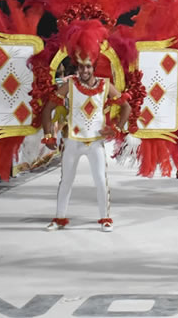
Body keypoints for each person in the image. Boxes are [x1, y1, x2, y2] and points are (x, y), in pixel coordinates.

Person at [41, 22, 132, 232]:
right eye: (81, 66)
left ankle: (105, 218)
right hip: (72, 141)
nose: (85, 70)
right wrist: (48, 135)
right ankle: (59, 218)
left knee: (100, 180)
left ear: (94, 66)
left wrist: (117, 128)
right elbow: (47, 110)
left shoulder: (105, 85)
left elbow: (126, 107)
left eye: (88, 66)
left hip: (95, 142)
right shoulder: (70, 85)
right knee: (66, 181)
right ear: (77, 67)